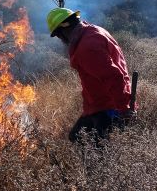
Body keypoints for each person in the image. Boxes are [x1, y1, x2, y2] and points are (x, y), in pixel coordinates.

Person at [46, 7, 135, 143]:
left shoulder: (87, 47)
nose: (60, 39)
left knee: (99, 153)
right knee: (76, 137)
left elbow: (113, 77)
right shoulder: (91, 31)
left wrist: (124, 107)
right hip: (98, 104)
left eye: (58, 35)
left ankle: (97, 164)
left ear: (63, 30)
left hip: (109, 106)